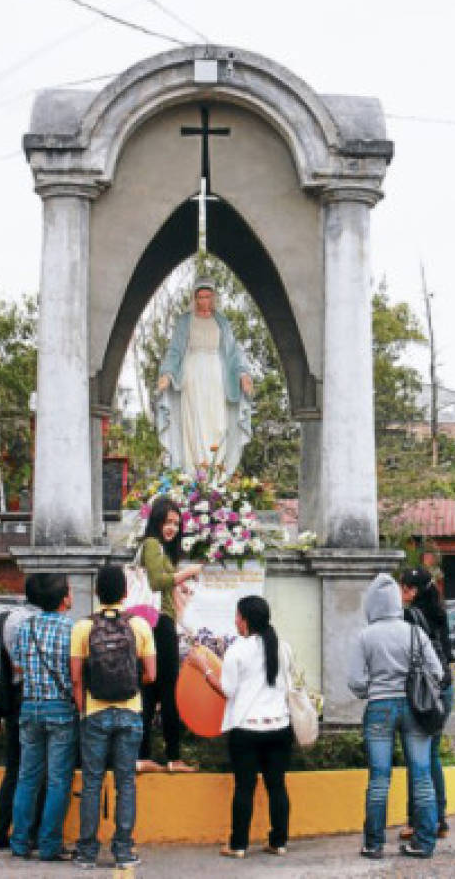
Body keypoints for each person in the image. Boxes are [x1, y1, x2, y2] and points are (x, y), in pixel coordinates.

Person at [188, 595, 292, 859]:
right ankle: (278, 842)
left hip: (246, 730)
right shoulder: (282, 647)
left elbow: (226, 691)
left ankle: (238, 845)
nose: (235, 621)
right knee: (276, 786)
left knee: (244, 787)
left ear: (245, 621)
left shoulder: (238, 650)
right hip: (279, 727)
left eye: (237, 616)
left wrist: (205, 669)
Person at [347, 573, 442, 860]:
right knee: (422, 775)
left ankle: (373, 844)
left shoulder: (365, 636)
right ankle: (424, 843)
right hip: (415, 707)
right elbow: (436, 672)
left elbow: (354, 681)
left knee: (379, 778)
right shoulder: (414, 632)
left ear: (372, 604)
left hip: (379, 707)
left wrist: (372, 689)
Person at [71, 564, 156, 869]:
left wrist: (85, 712)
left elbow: (77, 679)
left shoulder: (83, 626)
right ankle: (123, 851)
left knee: (92, 782)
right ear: (124, 592)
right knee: (126, 783)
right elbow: (151, 674)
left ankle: (86, 852)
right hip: (130, 711)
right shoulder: (140, 626)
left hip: (95, 711)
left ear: (97, 592)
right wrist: (130, 685)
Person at [10, 574, 77, 862]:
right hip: (60, 708)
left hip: (30, 707)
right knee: (58, 781)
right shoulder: (72, 629)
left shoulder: (27, 627)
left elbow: (18, 665)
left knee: (27, 778)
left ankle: (20, 842)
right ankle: (49, 845)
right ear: (64, 599)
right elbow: (76, 674)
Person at [156, 278, 253, 474]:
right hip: (192, 374)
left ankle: (216, 475)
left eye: (208, 296)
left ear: (213, 297)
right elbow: (175, 350)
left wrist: (243, 374)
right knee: (194, 423)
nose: (204, 301)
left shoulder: (222, 322)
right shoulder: (185, 321)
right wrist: (167, 373)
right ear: (195, 298)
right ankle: (194, 475)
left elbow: (233, 351)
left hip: (217, 375)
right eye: (200, 297)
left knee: (217, 423)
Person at [137, 495, 202, 773]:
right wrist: (186, 573)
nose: (172, 527)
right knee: (168, 690)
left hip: (157, 624)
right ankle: (173, 757)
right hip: (158, 625)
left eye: (176, 523)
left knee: (150, 691)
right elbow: (155, 582)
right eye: (167, 521)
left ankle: (143, 756)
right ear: (156, 521)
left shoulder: (162, 550)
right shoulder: (152, 544)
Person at [0, 575, 45, 851]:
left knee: (15, 769)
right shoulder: (36, 622)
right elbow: (24, 665)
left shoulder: (8, 618)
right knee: (37, 769)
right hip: (29, 698)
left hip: (11, 699)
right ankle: (31, 832)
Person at [400, 567, 453, 841]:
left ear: (414, 590)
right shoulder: (440, 614)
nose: (401, 593)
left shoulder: (411, 616)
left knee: (417, 757)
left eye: (405, 587)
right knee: (431, 756)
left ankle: (417, 820)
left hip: (423, 691)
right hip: (444, 689)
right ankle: (440, 819)